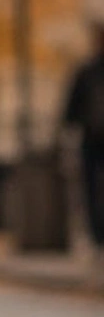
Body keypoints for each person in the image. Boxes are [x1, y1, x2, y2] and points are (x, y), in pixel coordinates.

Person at [61, 22, 104, 260]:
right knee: (90, 188)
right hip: (91, 137)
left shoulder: (86, 71)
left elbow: (70, 109)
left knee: (91, 188)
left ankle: (98, 236)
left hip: (90, 136)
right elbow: (71, 107)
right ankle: (97, 236)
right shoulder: (85, 72)